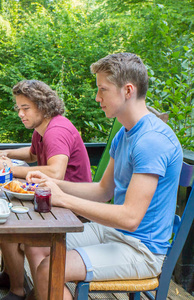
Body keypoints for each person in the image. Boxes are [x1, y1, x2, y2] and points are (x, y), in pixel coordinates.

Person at [26, 53, 183, 300]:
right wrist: (54, 183)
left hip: (141, 249)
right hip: (114, 233)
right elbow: (102, 191)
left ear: (128, 90)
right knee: (36, 246)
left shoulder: (152, 140)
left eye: (103, 90)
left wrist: (63, 199)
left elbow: (130, 218)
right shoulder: (125, 134)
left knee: (49, 269)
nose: (97, 98)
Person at [0, 80, 92, 300]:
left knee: (10, 223)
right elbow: (32, 154)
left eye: (26, 108)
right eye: (18, 108)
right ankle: (12, 276)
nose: (20, 114)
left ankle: (26, 291)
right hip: (52, 199)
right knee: (5, 214)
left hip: (71, 208)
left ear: (42, 106)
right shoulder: (42, 129)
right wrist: (6, 154)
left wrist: (9, 168)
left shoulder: (56, 131)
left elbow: (56, 172)